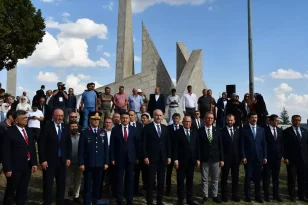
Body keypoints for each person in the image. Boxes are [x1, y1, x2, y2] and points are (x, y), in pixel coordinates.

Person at [2, 110, 38, 205]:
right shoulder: (9, 132)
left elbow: (32, 148)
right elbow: (5, 152)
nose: (26, 119)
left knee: (23, 190)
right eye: (23, 118)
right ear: (16, 120)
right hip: (14, 168)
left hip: (27, 166)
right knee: (11, 192)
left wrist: (34, 163)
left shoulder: (29, 131)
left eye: (26, 117)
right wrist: (7, 168)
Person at [39, 109, 72, 205]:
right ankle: (47, 202)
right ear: (53, 116)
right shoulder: (47, 127)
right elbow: (41, 145)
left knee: (61, 184)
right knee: (48, 184)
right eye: (58, 115)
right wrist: (43, 159)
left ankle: (60, 202)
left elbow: (68, 144)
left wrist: (68, 157)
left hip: (62, 161)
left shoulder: (66, 127)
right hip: (49, 161)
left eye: (61, 115)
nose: (60, 118)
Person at [78, 111, 109, 205]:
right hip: (88, 163)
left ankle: (95, 202)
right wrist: (81, 163)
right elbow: (81, 149)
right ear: (90, 120)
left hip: (99, 164)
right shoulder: (85, 132)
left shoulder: (103, 132)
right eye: (94, 119)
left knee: (97, 185)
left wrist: (106, 162)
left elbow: (106, 149)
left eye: (97, 120)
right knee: (87, 185)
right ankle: (87, 202)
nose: (96, 121)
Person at [143, 109, 171, 205]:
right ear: (153, 116)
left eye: (160, 115)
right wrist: (145, 156)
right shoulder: (147, 128)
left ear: (162, 116)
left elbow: (168, 144)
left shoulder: (165, 128)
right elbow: (143, 144)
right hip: (151, 159)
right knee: (150, 181)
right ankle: (149, 201)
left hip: (162, 159)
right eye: (156, 115)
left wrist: (169, 157)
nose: (158, 117)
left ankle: (159, 200)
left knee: (161, 181)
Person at [110, 112, 139, 205]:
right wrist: (113, 158)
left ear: (129, 119)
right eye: (123, 118)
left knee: (130, 179)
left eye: (127, 118)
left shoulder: (134, 130)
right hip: (119, 158)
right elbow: (112, 145)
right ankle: (119, 199)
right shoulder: (115, 130)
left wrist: (137, 157)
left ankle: (129, 199)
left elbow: (137, 144)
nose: (125, 120)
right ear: (120, 119)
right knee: (119, 179)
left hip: (131, 158)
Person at [241, 112, 267, 203]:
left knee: (258, 178)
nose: (254, 119)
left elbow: (264, 144)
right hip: (248, 158)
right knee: (248, 177)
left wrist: (265, 156)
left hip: (259, 158)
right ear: (249, 119)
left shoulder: (262, 130)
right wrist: (243, 156)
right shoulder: (244, 130)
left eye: (256, 117)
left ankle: (257, 196)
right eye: (252, 117)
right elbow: (242, 145)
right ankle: (247, 196)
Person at [173, 116, 200, 205]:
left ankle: (189, 199)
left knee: (190, 181)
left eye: (189, 122)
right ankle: (180, 199)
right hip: (181, 161)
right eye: (186, 122)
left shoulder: (194, 132)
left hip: (191, 161)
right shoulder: (177, 133)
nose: (187, 123)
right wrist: (176, 160)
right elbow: (175, 148)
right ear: (183, 122)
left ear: (191, 123)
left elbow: (197, 147)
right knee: (180, 181)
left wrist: (198, 159)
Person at [199, 111, 224, 204]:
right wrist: (198, 158)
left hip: (216, 158)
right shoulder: (200, 131)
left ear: (213, 120)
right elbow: (198, 146)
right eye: (208, 118)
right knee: (204, 179)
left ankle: (214, 195)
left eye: (212, 118)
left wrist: (222, 159)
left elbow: (220, 145)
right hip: (204, 158)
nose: (210, 120)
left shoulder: (217, 130)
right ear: (205, 119)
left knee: (215, 179)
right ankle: (205, 196)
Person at [283, 115, 308, 202]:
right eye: (295, 120)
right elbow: (284, 146)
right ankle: (292, 196)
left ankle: (302, 195)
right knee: (292, 178)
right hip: (292, 159)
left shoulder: (304, 131)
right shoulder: (287, 132)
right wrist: (286, 157)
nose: (297, 122)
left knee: (302, 178)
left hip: (303, 160)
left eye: (298, 120)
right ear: (292, 121)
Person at [263, 114, 284, 202]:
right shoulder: (264, 130)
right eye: (276, 120)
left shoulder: (280, 130)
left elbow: (282, 144)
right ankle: (267, 195)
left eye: (278, 120)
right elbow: (263, 144)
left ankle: (276, 195)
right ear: (270, 121)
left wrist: (282, 155)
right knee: (267, 177)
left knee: (276, 178)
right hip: (268, 158)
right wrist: (264, 156)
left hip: (277, 157)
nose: (277, 122)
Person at [220, 114, 241, 202]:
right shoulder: (222, 131)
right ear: (226, 120)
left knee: (235, 178)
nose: (230, 122)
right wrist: (221, 159)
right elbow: (220, 146)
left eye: (231, 120)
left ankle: (234, 195)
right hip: (226, 159)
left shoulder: (238, 131)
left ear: (234, 121)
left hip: (236, 159)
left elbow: (240, 145)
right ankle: (224, 195)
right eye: (228, 120)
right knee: (224, 177)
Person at [64, 121, 83, 204]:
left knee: (78, 180)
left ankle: (76, 196)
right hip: (68, 162)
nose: (74, 128)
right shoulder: (66, 136)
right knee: (67, 180)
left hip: (78, 162)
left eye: (76, 126)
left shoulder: (81, 136)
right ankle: (65, 197)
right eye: (72, 126)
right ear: (69, 127)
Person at [128, 110, 144, 196]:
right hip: (128, 153)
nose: (131, 117)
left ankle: (135, 190)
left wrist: (139, 155)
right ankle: (128, 190)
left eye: (132, 115)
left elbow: (141, 141)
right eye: (129, 115)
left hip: (137, 154)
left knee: (137, 173)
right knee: (128, 174)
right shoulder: (125, 126)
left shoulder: (140, 126)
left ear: (135, 116)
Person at [166, 113, 182, 195]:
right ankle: (168, 190)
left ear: (180, 119)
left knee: (179, 174)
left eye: (177, 118)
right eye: (174, 118)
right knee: (168, 173)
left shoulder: (183, 128)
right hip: (170, 154)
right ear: (172, 119)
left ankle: (179, 190)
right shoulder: (168, 128)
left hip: (180, 155)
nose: (176, 120)